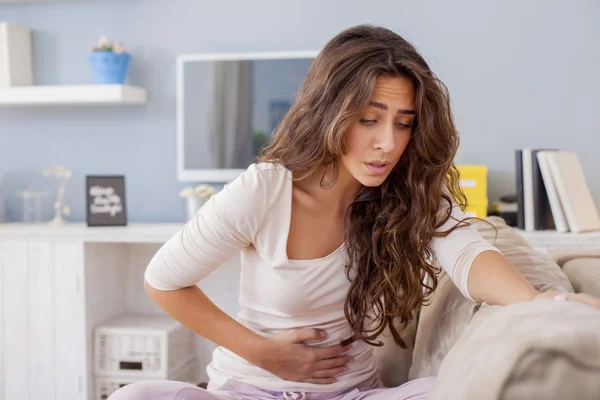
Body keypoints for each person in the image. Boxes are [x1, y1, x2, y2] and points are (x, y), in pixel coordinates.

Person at [110, 24, 600, 400]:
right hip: (248, 389)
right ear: (330, 111)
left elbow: (468, 252)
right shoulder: (267, 188)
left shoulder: (406, 191)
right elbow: (163, 280)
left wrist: (540, 303)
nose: (387, 143)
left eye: (403, 124)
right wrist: (266, 354)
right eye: (369, 120)